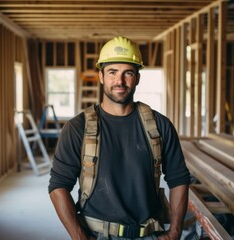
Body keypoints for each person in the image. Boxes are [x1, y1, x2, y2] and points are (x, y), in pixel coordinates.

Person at [48, 36, 190, 240]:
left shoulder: (160, 125)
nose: (120, 81)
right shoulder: (78, 128)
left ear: (138, 78)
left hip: (148, 233)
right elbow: (58, 185)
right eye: (112, 72)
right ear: (101, 76)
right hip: (97, 234)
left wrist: (175, 231)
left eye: (128, 73)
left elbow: (179, 180)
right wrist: (78, 236)